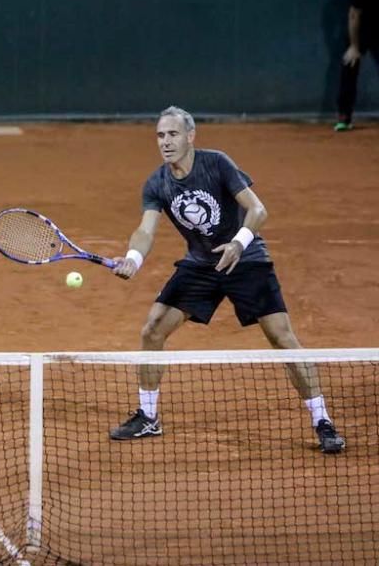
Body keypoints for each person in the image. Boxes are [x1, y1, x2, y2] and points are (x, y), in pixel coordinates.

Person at [107, 106, 346, 454]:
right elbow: (145, 230)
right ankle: (148, 415)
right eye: (160, 135)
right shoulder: (157, 182)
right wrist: (132, 258)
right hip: (201, 265)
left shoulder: (217, 163)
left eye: (172, 134)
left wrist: (238, 243)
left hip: (246, 259)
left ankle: (322, 420)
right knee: (153, 329)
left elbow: (257, 209)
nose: (165, 142)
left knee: (281, 338)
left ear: (190, 136)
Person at [335, 0, 379, 131]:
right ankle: (344, 117)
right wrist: (354, 46)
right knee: (349, 66)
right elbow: (354, 15)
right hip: (360, 31)